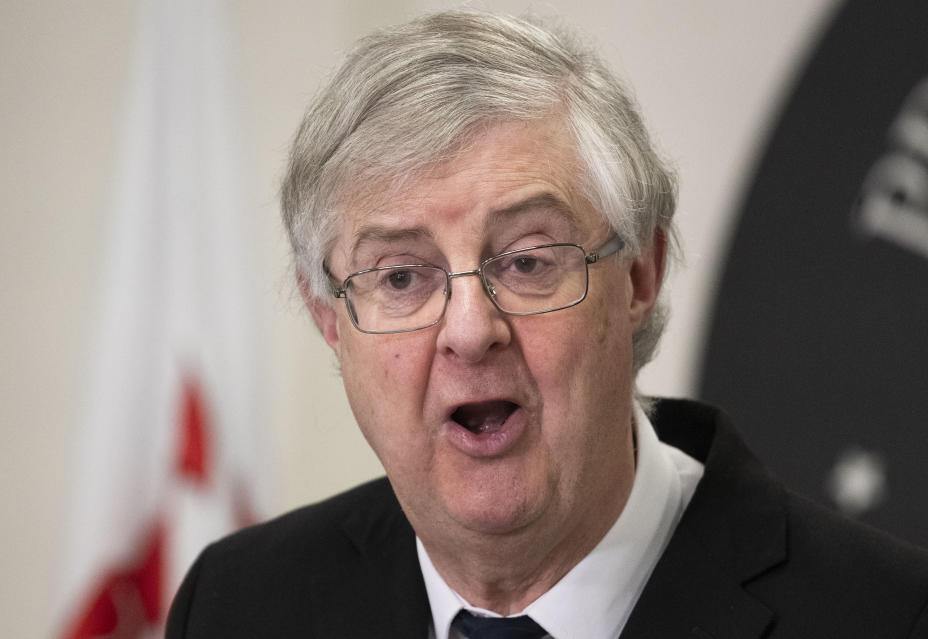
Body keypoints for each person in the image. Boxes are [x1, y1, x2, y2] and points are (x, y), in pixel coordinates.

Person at [167, 10, 928, 638]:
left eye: (527, 261)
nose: (470, 329)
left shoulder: (886, 617)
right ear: (331, 319)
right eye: (401, 276)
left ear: (638, 274)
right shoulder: (237, 607)